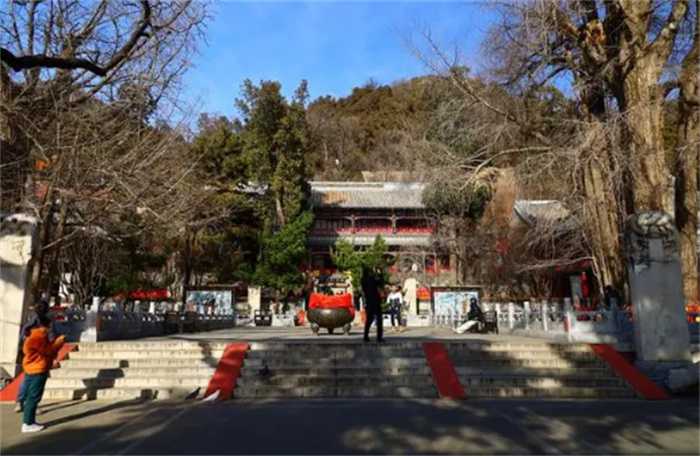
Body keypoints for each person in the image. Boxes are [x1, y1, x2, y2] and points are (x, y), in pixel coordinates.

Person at [21, 311, 65, 433]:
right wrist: (59, 342)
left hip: (31, 367)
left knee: (31, 396)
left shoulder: (32, 335)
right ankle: (28, 422)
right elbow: (48, 351)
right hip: (38, 368)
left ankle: (29, 421)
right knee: (34, 396)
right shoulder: (39, 336)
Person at [14, 300, 53, 414]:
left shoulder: (32, 319)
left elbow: (24, 334)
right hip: (39, 354)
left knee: (27, 379)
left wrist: (23, 344)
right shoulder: (41, 320)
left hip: (30, 353)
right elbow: (50, 336)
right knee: (36, 382)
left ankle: (20, 401)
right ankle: (31, 405)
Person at [361, 266, 384, 343]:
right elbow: (380, 283)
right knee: (379, 319)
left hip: (368, 301)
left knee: (369, 319)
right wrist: (380, 274)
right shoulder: (372, 279)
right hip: (375, 301)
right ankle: (379, 337)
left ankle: (366, 336)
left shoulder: (363, 280)